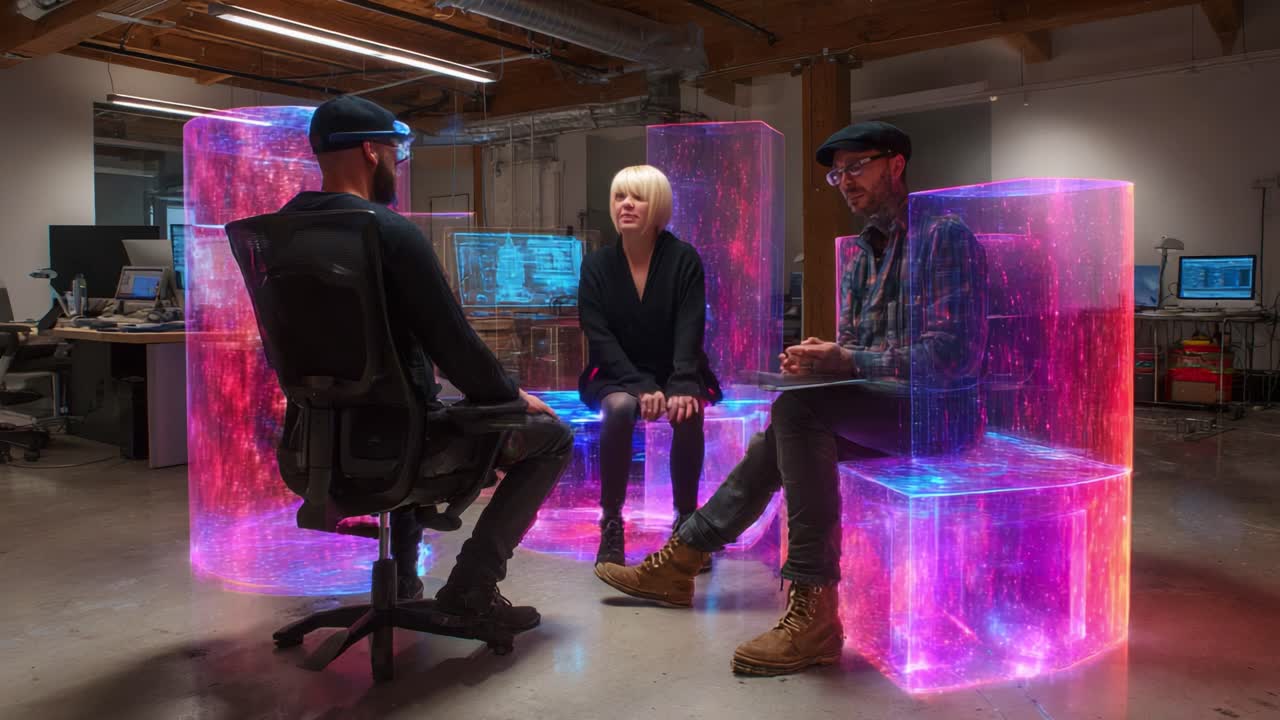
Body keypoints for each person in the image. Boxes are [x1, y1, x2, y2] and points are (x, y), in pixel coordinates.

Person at [594, 121, 988, 675]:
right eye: (837, 173)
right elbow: (857, 353)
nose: (845, 181)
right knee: (794, 412)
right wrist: (820, 361)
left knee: (795, 414)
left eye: (857, 167)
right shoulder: (857, 254)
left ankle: (800, 604)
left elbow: (954, 355)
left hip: (940, 417)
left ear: (896, 165)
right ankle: (687, 560)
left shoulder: (943, 236)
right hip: (884, 410)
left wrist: (847, 361)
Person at [278, 95, 573, 632]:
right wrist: (509, 396)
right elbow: (454, 345)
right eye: (395, 151)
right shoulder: (388, 232)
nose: (396, 163)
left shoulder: (283, 233)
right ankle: (472, 587)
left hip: (311, 446)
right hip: (401, 448)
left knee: (410, 408)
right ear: (371, 151)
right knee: (552, 437)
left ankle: (406, 586)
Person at [578, 165, 722, 568]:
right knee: (621, 408)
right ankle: (611, 522)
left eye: (637, 197)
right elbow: (599, 336)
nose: (626, 205)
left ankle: (687, 523)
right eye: (619, 196)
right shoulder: (596, 266)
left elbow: (689, 328)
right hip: (614, 370)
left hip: (675, 366)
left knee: (687, 411)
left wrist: (680, 384)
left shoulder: (683, 259)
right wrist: (640, 385)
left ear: (656, 204)